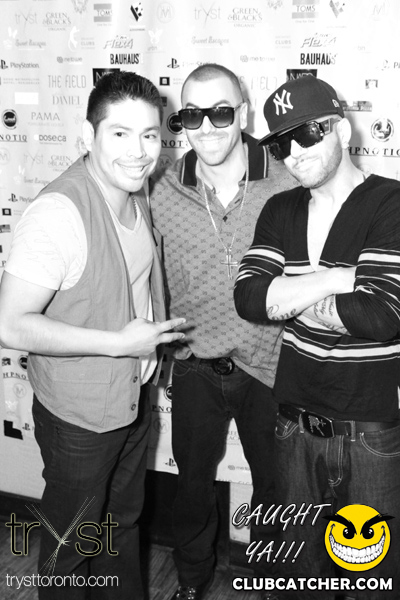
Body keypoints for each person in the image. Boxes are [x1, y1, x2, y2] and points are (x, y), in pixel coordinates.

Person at [0, 71, 185, 600]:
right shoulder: (59, 214)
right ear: (88, 136)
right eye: (120, 134)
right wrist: (118, 344)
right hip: (79, 418)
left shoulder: (133, 187)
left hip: (131, 397)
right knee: (69, 547)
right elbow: (10, 324)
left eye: (149, 135)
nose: (139, 151)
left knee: (120, 527)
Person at [234, 75, 400, 600]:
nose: (295, 153)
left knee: (373, 582)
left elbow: (380, 314)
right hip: (293, 428)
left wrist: (288, 295)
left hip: (371, 434)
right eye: (281, 143)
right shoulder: (279, 210)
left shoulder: (390, 202)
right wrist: (336, 279)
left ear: (342, 130)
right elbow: (250, 299)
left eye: (308, 133)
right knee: (300, 582)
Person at [150, 63, 295, 600]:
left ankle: (268, 581)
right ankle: (191, 581)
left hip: (271, 362)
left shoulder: (286, 178)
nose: (207, 127)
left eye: (221, 112)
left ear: (244, 113)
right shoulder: (161, 188)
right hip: (195, 365)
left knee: (275, 488)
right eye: (192, 115)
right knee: (191, 487)